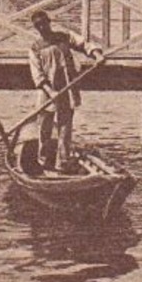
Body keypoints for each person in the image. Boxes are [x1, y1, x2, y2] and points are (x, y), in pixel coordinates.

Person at [27, 10, 105, 172]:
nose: (42, 27)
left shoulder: (64, 37)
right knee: (45, 127)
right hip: (47, 93)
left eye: (44, 23)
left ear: (49, 22)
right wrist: (50, 91)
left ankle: (62, 162)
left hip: (67, 88)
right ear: (36, 28)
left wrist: (96, 55)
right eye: (38, 26)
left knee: (65, 127)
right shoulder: (35, 48)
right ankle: (43, 161)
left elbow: (83, 44)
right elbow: (38, 76)